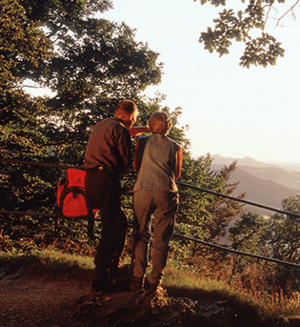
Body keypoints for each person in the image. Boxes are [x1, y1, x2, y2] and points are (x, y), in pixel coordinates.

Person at [84, 99, 147, 293]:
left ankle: (113, 265)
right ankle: (101, 275)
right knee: (111, 226)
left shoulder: (102, 124)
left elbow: (126, 130)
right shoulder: (120, 131)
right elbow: (126, 162)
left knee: (120, 219)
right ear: (131, 117)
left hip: (90, 179)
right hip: (107, 179)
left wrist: (145, 128)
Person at [129, 111, 182, 293]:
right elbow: (177, 173)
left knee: (141, 234)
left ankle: (137, 278)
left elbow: (136, 165)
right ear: (168, 125)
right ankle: (154, 282)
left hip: (143, 188)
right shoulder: (176, 146)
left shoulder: (142, 142)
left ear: (151, 125)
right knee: (161, 240)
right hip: (166, 191)